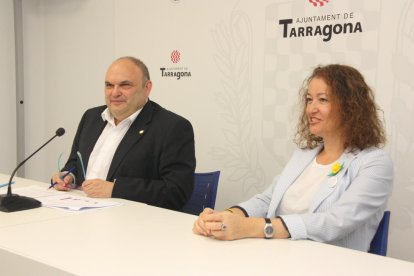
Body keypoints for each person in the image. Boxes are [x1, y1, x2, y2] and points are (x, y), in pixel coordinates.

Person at [193, 64, 393, 252]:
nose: (311, 109)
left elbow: (334, 222)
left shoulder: (374, 163)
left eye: (322, 99)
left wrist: (250, 227)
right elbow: (266, 200)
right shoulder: (303, 156)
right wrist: (226, 216)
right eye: (309, 99)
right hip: (279, 257)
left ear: (351, 107)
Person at [52, 56, 196, 210]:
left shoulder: (172, 127)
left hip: (133, 223)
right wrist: (68, 176)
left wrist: (115, 189)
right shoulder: (91, 117)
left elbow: (176, 192)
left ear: (147, 88)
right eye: (109, 85)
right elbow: (75, 161)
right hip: (79, 212)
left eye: (125, 85)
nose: (114, 93)